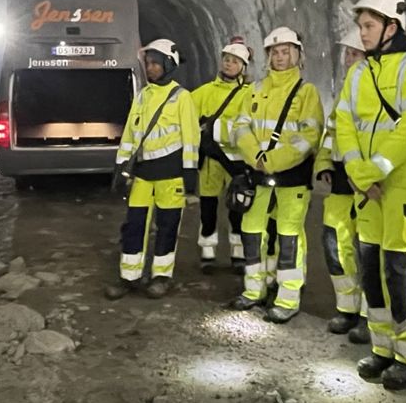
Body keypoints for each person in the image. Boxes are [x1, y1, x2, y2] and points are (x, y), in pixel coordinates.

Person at [333, 0, 406, 389]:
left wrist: (375, 170)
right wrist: (358, 173)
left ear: (392, 27)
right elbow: (343, 121)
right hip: (369, 189)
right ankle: (382, 349)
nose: (361, 35)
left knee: (402, 273)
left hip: (405, 186)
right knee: (372, 269)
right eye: (360, 27)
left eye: (368, 27)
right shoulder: (359, 73)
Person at [228, 27, 322, 324]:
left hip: (292, 177)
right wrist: (256, 156)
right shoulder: (255, 89)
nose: (281, 58)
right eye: (275, 53)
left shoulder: (306, 92)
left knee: (289, 236)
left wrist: (273, 160)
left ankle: (288, 296)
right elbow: (240, 126)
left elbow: (309, 136)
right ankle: (254, 289)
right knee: (252, 231)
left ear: (297, 55)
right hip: (258, 173)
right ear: (268, 56)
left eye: (286, 52)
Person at [111, 38, 199, 298]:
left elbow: (191, 138)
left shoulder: (182, 98)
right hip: (142, 176)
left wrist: (190, 173)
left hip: (171, 177)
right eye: (147, 63)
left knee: (167, 226)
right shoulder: (142, 96)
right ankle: (129, 277)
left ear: (168, 64)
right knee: (134, 225)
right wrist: (120, 166)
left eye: (155, 63)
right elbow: (130, 134)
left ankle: (161, 276)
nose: (150, 68)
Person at [316, 28, 367, 335]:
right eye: (348, 53)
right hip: (339, 181)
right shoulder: (344, 90)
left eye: (356, 53)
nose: (349, 59)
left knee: (366, 252)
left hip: (365, 184)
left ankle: (369, 317)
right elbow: (331, 133)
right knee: (335, 244)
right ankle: (347, 308)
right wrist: (324, 162)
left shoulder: (376, 92)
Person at [191, 39, 254, 271]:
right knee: (208, 208)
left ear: (243, 66)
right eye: (227, 60)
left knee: (237, 209)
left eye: (235, 61)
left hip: (236, 162)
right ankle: (208, 252)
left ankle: (238, 254)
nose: (229, 64)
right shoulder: (205, 91)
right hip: (211, 161)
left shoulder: (250, 94)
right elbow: (187, 114)